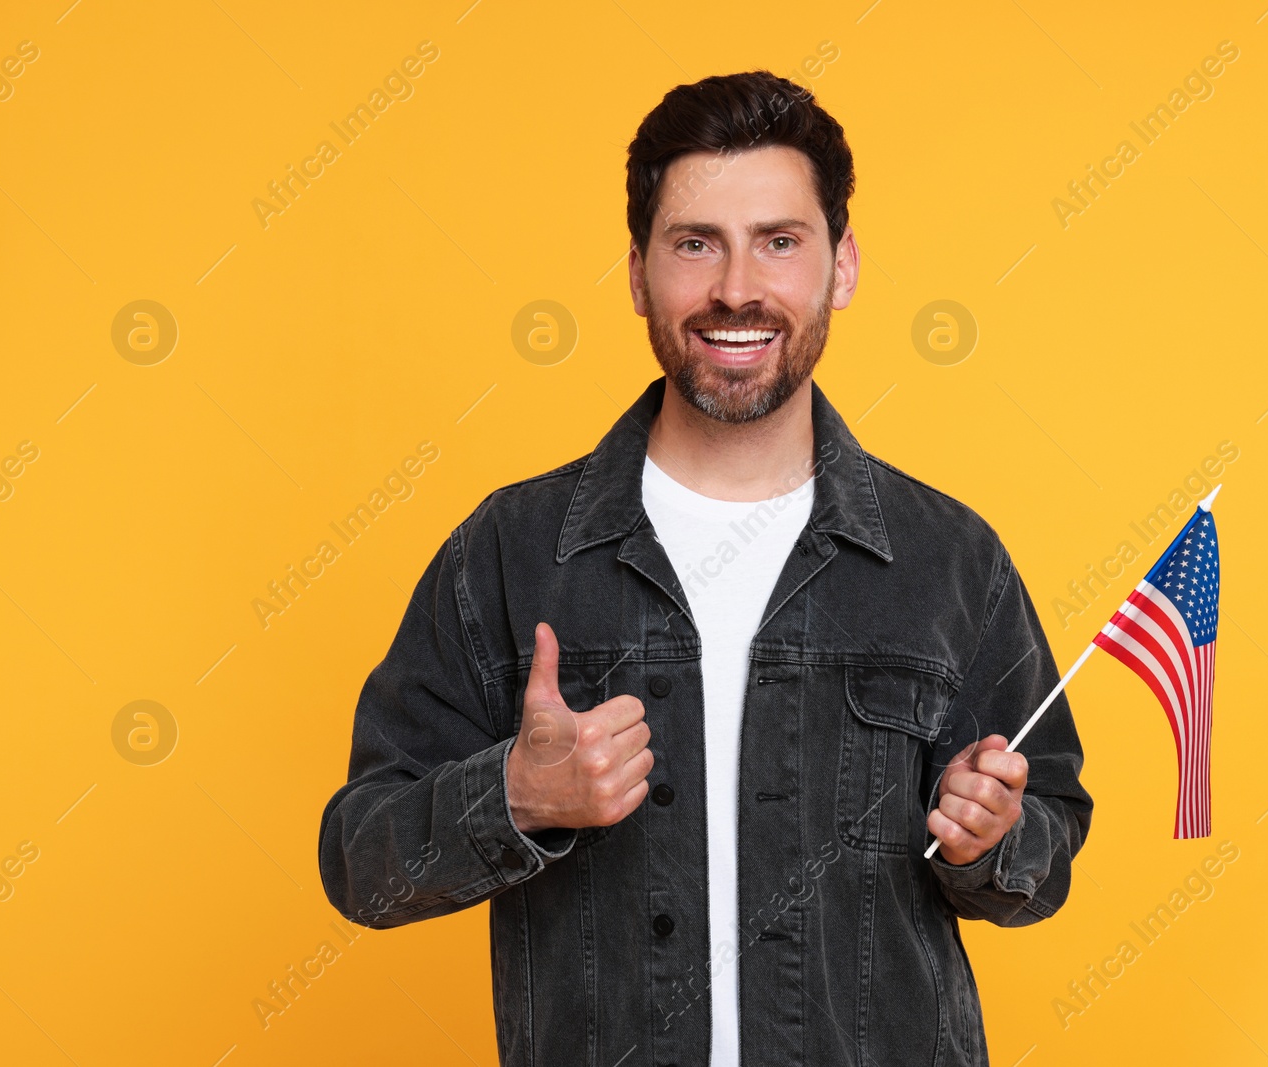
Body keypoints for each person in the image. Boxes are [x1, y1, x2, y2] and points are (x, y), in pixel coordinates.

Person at [318, 69, 1092, 1067]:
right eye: (696, 244)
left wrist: (992, 841)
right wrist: (514, 795)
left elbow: (1052, 834)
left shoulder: (947, 558)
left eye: (779, 241)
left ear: (841, 266)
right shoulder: (512, 549)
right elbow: (361, 862)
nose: (736, 287)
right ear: (638, 272)